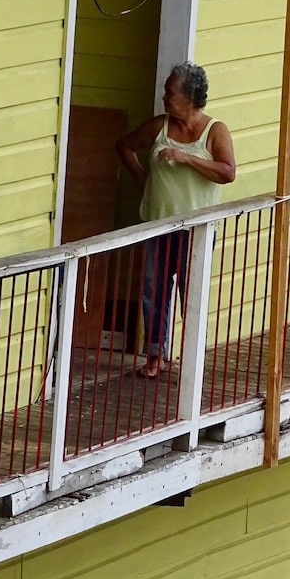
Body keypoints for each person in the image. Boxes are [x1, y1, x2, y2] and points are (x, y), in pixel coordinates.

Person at [116, 62, 236, 378]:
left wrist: (186, 158)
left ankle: (192, 359)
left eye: (171, 92)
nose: (165, 98)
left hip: (195, 229)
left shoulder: (215, 131)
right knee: (153, 292)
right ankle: (156, 356)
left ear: (190, 97)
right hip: (157, 224)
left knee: (190, 293)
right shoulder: (159, 126)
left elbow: (227, 172)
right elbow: (125, 146)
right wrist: (143, 177)